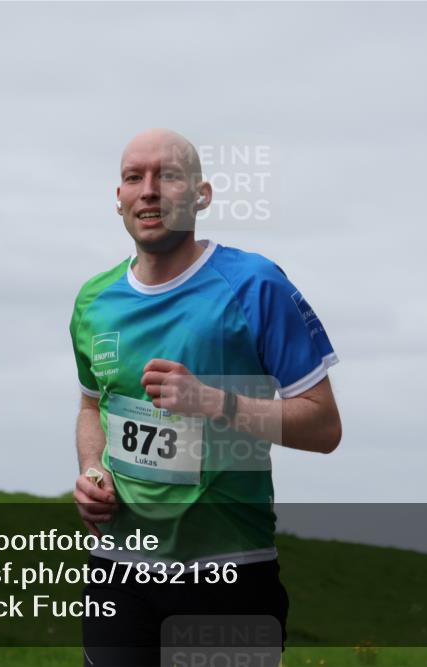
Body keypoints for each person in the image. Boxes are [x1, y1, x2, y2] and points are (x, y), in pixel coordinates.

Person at [69, 129, 342, 666]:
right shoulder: (93, 302)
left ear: (201, 194)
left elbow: (324, 426)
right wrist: (92, 469)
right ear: (118, 197)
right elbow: (89, 408)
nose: (148, 190)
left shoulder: (255, 286)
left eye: (167, 176)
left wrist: (217, 402)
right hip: (119, 571)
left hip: (229, 571)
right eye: (133, 178)